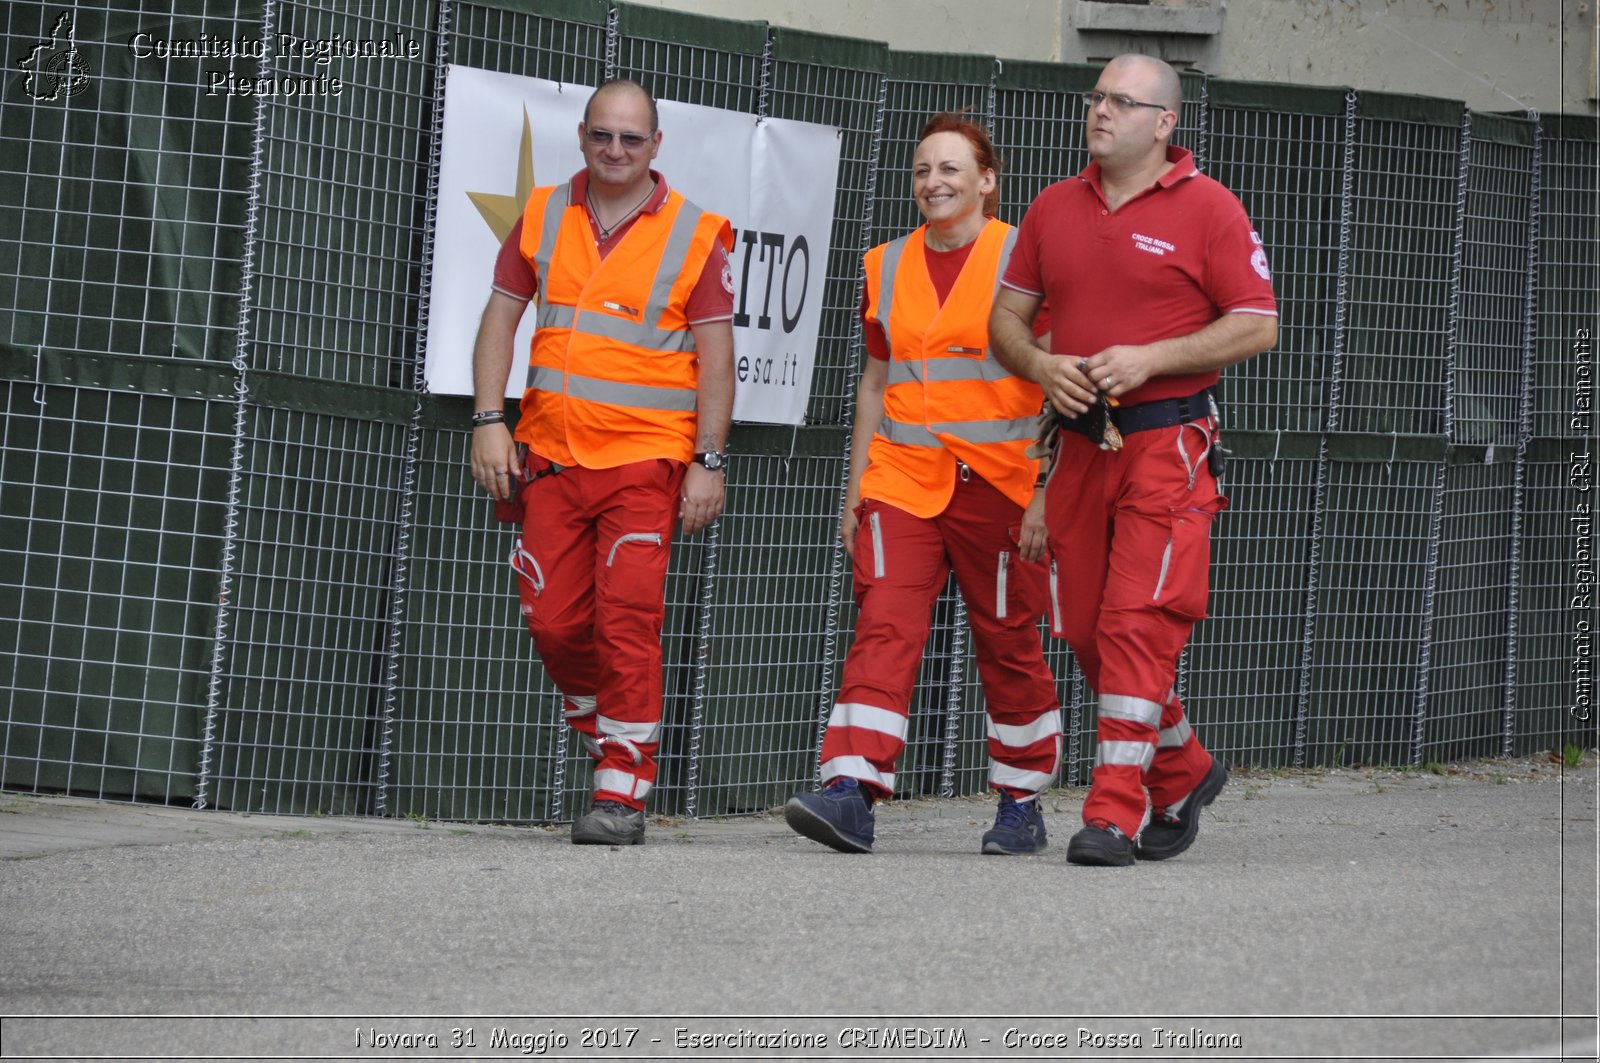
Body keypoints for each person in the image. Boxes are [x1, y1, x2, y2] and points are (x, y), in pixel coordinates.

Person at [990, 54, 1278, 866]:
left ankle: (1114, 811)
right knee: (1081, 626)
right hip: (1080, 446)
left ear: (1165, 122)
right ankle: (1183, 766)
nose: (1102, 111)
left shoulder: (1212, 208)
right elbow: (1006, 324)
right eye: (1097, 97)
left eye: (1123, 100)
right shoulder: (1052, 207)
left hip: (1168, 445)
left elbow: (1258, 322)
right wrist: (1042, 365)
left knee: (1133, 625)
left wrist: (1153, 357)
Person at [785, 113, 1064, 856]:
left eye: (949, 169)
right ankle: (850, 789)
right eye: (921, 171)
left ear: (987, 180)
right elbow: (875, 383)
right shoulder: (885, 263)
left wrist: (1045, 491)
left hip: (1000, 487)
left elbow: (1060, 383)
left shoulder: (1024, 259)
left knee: (1008, 643)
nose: (933, 182)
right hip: (903, 480)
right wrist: (855, 491)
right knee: (884, 625)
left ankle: (1020, 800)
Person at [468, 79, 735, 846]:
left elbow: (718, 358)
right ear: (582, 136)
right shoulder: (545, 211)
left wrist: (707, 460)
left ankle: (622, 785)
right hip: (549, 454)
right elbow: (498, 320)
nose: (615, 150)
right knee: (552, 623)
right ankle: (607, 730)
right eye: (602, 136)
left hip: (647, 462)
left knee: (628, 621)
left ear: (657, 147)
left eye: (631, 138)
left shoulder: (694, 232)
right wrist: (491, 420)